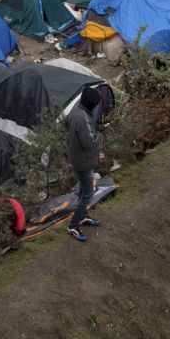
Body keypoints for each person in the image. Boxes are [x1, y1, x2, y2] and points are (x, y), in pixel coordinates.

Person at [65, 90, 103, 241]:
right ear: (91, 103)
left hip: (76, 157)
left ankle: (82, 216)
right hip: (83, 161)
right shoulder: (84, 119)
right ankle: (73, 226)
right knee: (88, 193)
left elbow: (66, 125)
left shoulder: (76, 111)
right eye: (95, 104)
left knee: (83, 188)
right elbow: (89, 143)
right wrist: (98, 134)